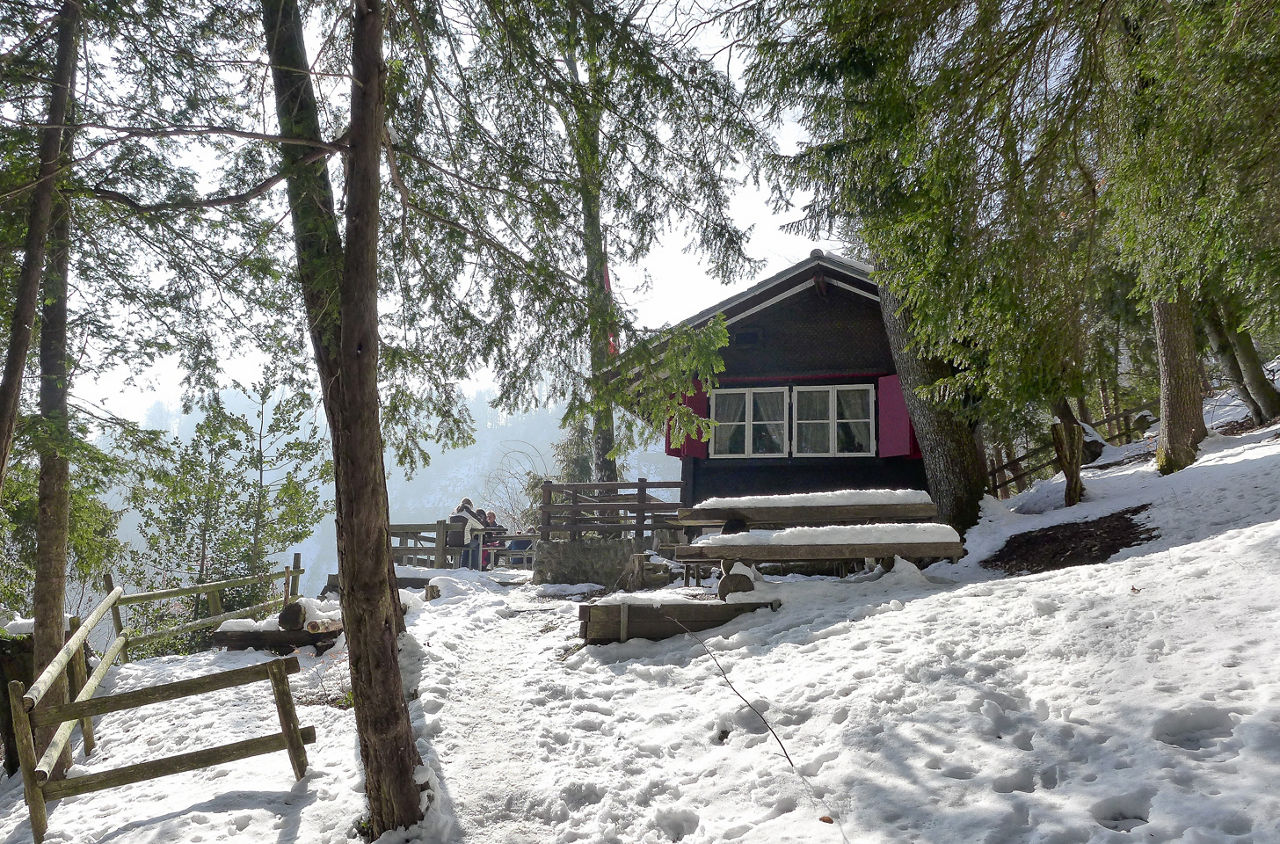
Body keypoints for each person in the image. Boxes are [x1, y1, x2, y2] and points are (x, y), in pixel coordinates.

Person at [452, 498, 485, 570]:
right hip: (463, 541)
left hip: (451, 541)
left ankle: (463, 567)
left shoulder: (453, 513)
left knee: (468, 543)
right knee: (475, 544)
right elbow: (481, 525)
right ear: (470, 505)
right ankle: (475, 569)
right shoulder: (468, 512)